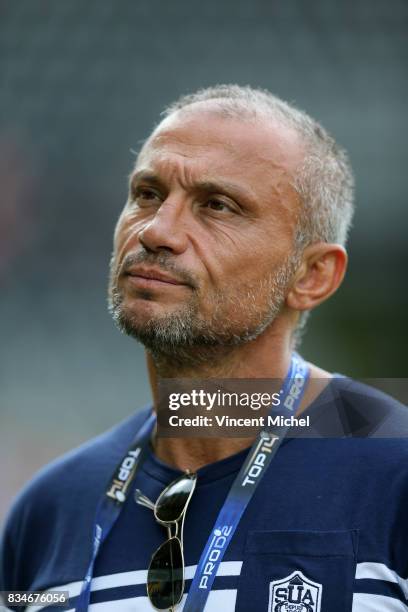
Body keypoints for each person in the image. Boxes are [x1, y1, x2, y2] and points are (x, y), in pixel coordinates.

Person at [1, 85, 408, 612]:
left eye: (218, 206)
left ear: (312, 275)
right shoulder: (50, 509)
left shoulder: (393, 470)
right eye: (148, 194)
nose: (158, 231)